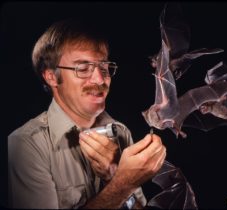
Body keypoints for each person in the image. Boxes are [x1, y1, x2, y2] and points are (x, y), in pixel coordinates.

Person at [7, 19, 166, 209]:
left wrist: (113, 177)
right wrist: (122, 184)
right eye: (82, 69)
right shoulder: (26, 145)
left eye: (104, 67)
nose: (99, 79)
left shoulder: (121, 133)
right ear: (51, 76)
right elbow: (123, 187)